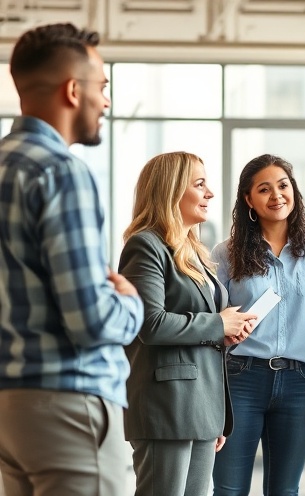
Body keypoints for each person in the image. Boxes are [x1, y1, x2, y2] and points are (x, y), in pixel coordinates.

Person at [0, 23, 144, 496]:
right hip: (68, 401)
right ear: (72, 89)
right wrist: (130, 302)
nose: (105, 102)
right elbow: (91, 320)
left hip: (10, 409)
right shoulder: (61, 172)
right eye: (101, 88)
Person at [118, 152, 257, 496]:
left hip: (201, 405)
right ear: (170, 191)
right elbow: (150, 323)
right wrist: (217, 324)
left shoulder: (193, 251)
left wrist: (229, 332)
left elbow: (203, 330)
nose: (210, 193)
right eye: (199, 184)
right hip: (167, 406)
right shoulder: (146, 245)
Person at [211, 154, 305, 496]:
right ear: (248, 200)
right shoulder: (226, 254)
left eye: (283, 186)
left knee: (285, 491)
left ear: (293, 191)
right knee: (228, 489)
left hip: (299, 382)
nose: (277, 195)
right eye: (264, 189)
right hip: (241, 378)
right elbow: (215, 320)